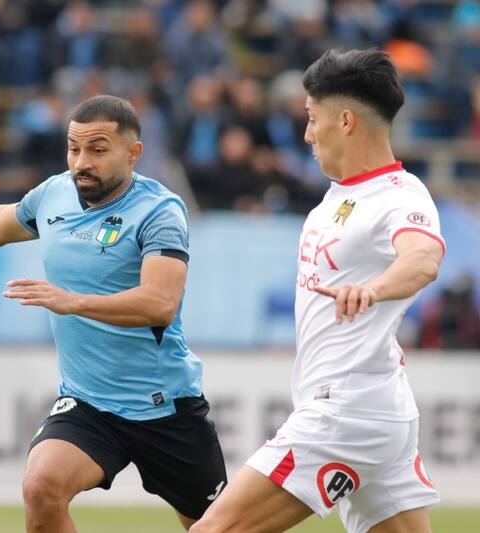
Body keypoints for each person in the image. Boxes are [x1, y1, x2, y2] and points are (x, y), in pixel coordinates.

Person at [0, 95, 228, 532]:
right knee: (41, 487)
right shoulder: (55, 193)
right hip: (90, 404)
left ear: (133, 153)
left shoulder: (159, 211)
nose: (82, 161)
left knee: (215, 528)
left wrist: (73, 301)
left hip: (166, 409)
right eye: (73, 148)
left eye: (97, 150)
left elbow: (159, 303)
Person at [190, 49, 444, 533]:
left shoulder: (400, 195)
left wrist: (373, 289)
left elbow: (422, 259)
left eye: (312, 118)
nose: (306, 133)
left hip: (347, 412)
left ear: (345, 120)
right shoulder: (337, 194)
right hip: (374, 409)